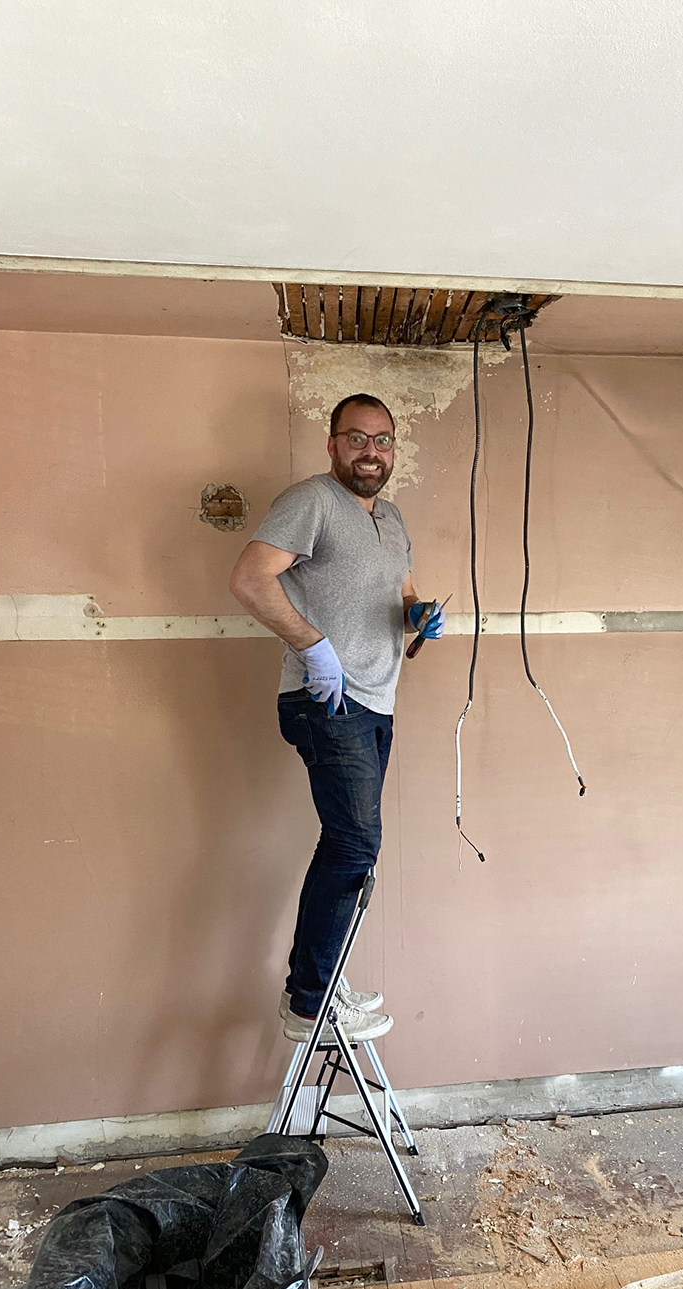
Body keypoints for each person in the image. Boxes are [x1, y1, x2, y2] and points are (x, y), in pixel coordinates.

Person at [230, 393, 445, 1045]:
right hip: (328, 698)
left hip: (377, 701)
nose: (369, 451)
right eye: (356, 438)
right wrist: (311, 644)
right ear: (332, 444)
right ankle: (309, 1000)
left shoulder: (393, 518)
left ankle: (321, 980)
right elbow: (250, 579)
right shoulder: (311, 501)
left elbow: (401, 595)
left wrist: (419, 616)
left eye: (381, 440)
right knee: (354, 845)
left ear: (393, 451)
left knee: (353, 849)